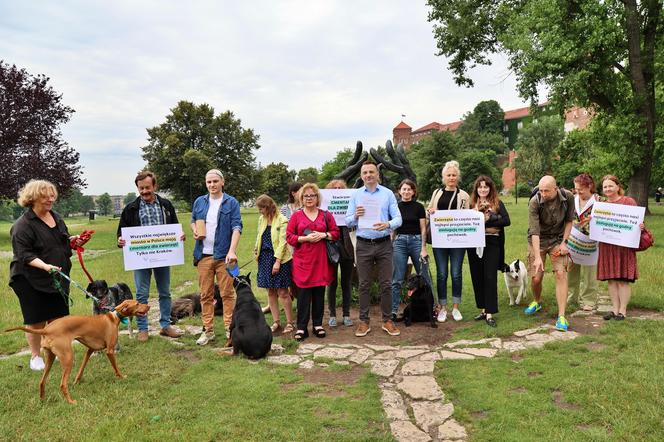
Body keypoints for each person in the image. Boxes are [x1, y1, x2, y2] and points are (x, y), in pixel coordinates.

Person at [9, 180, 88, 370]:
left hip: (57, 276)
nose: (50, 199)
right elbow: (24, 255)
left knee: (59, 318)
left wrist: (74, 241)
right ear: (33, 198)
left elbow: (62, 240)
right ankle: (36, 357)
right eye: (45, 196)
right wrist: (45, 266)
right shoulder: (22, 225)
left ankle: (58, 351)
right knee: (36, 319)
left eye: (52, 195)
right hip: (29, 278)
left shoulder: (56, 217)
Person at [118, 171, 184, 342]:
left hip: (163, 255)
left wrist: (179, 236)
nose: (145, 191)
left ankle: (165, 325)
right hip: (141, 257)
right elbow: (121, 233)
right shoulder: (131, 208)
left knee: (165, 292)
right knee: (141, 294)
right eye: (141, 188)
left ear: (155, 186)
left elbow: (175, 227)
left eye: (148, 187)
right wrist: (121, 240)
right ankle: (143, 329)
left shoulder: (166, 205)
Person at [345, 161, 403, 337]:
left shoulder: (387, 194)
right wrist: (355, 215)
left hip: (384, 243)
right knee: (364, 284)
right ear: (361, 176)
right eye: (365, 172)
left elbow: (398, 219)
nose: (368, 175)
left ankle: (387, 320)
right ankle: (364, 321)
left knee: (386, 284)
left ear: (377, 174)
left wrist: (388, 224)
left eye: (371, 172)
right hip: (363, 244)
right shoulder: (356, 195)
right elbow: (348, 221)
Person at [191, 169, 242, 345]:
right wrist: (194, 230)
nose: (212, 185)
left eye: (215, 181)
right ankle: (208, 330)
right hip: (203, 256)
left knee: (227, 293)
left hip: (224, 257)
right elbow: (193, 221)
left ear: (222, 182)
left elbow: (237, 227)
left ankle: (230, 329)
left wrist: (232, 250)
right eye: (208, 182)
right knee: (205, 295)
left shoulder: (231, 202)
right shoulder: (199, 202)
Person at [286, 183, 340, 341]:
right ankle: (302, 327)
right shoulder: (296, 216)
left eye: (312, 195)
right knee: (303, 295)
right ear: (301, 198)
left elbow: (335, 233)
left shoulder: (326, 215)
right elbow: (289, 236)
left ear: (318, 198)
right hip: (303, 262)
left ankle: (317, 324)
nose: (309, 198)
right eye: (306, 196)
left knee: (318, 293)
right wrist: (305, 238)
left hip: (321, 260)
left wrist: (323, 235)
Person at [524, 175, 575, 332]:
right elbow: (534, 231)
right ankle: (537, 301)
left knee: (560, 274)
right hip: (538, 240)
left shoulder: (568, 197)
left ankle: (561, 316)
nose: (543, 194)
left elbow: (569, 221)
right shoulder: (534, 202)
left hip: (557, 240)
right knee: (536, 278)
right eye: (541, 190)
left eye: (546, 191)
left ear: (555, 189)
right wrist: (538, 257)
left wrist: (564, 242)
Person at [427, 160, 469, 323]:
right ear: (444, 177)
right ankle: (443, 307)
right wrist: (430, 211)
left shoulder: (464, 195)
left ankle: (456, 308)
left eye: (454, 175)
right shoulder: (437, 193)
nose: (451, 178)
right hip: (440, 241)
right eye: (448, 175)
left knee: (456, 273)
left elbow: (467, 217)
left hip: (458, 241)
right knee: (442, 273)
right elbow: (429, 210)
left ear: (457, 177)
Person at [598, 175, 645, 320]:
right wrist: (595, 222)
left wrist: (641, 226)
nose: (608, 189)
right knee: (612, 280)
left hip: (624, 246)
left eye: (610, 185)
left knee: (623, 279)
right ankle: (614, 309)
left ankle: (622, 311)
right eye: (605, 187)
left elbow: (637, 221)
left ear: (618, 187)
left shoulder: (628, 202)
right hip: (607, 246)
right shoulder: (602, 206)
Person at [467, 175, 511, 327]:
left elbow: (506, 221)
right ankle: (484, 309)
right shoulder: (471, 204)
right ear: (476, 189)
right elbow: (467, 223)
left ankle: (490, 312)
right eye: (480, 187)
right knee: (477, 276)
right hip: (474, 244)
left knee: (490, 276)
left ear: (490, 188)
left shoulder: (498, 203)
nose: (483, 189)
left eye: (486, 187)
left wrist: (490, 219)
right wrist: (486, 224)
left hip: (492, 243)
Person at [254, 194, 294, 335]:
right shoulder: (262, 219)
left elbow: (283, 243)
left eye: (261, 208)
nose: (260, 211)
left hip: (280, 259)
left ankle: (290, 322)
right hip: (264, 258)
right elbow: (259, 236)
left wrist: (277, 262)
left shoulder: (282, 220)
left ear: (268, 206)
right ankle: (276, 321)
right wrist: (256, 249)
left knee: (282, 292)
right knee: (270, 291)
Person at [391, 179, 427, 320]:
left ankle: (430, 308)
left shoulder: (418, 207)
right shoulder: (395, 207)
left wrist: (423, 247)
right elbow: (393, 228)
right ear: (399, 191)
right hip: (399, 242)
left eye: (409, 189)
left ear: (413, 191)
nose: (406, 192)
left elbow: (423, 228)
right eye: (403, 189)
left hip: (416, 241)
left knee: (424, 277)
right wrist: (391, 243)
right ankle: (393, 311)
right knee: (397, 279)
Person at [567, 173, 601, 311]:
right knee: (571, 272)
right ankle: (571, 298)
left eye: (581, 189)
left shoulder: (599, 201)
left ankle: (589, 300)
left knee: (590, 274)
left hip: (591, 243)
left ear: (590, 186)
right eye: (576, 188)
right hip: (573, 242)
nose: (578, 191)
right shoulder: (572, 200)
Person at [325, 180, 354, 327]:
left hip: (348, 248)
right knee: (332, 282)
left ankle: (347, 314)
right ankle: (332, 314)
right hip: (331, 248)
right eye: (334, 188)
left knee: (346, 283)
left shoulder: (351, 204)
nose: (337, 190)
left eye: (340, 188)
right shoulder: (325, 208)